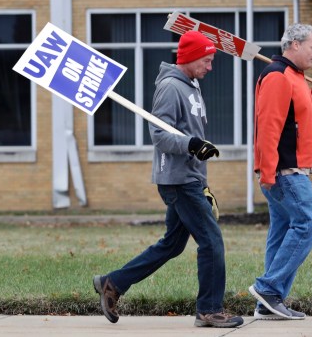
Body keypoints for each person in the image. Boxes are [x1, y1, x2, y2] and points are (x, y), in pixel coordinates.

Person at [92, 30, 243, 328]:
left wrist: (200, 173)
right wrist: (191, 144)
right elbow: (159, 134)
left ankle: (112, 283)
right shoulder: (171, 88)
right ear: (190, 57)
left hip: (190, 178)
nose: (211, 67)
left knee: (172, 245)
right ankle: (209, 310)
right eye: (207, 60)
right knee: (211, 242)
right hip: (177, 180)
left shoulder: (192, 85)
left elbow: (187, 135)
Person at [249, 23, 312, 320]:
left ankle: (268, 304)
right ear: (294, 45)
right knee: (308, 224)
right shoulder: (277, 75)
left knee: (283, 230)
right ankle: (268, 288)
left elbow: (296, 118)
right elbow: (269, 126)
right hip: (285, 171)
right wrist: (268, 172)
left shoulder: (295, 77)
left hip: (291, 169)